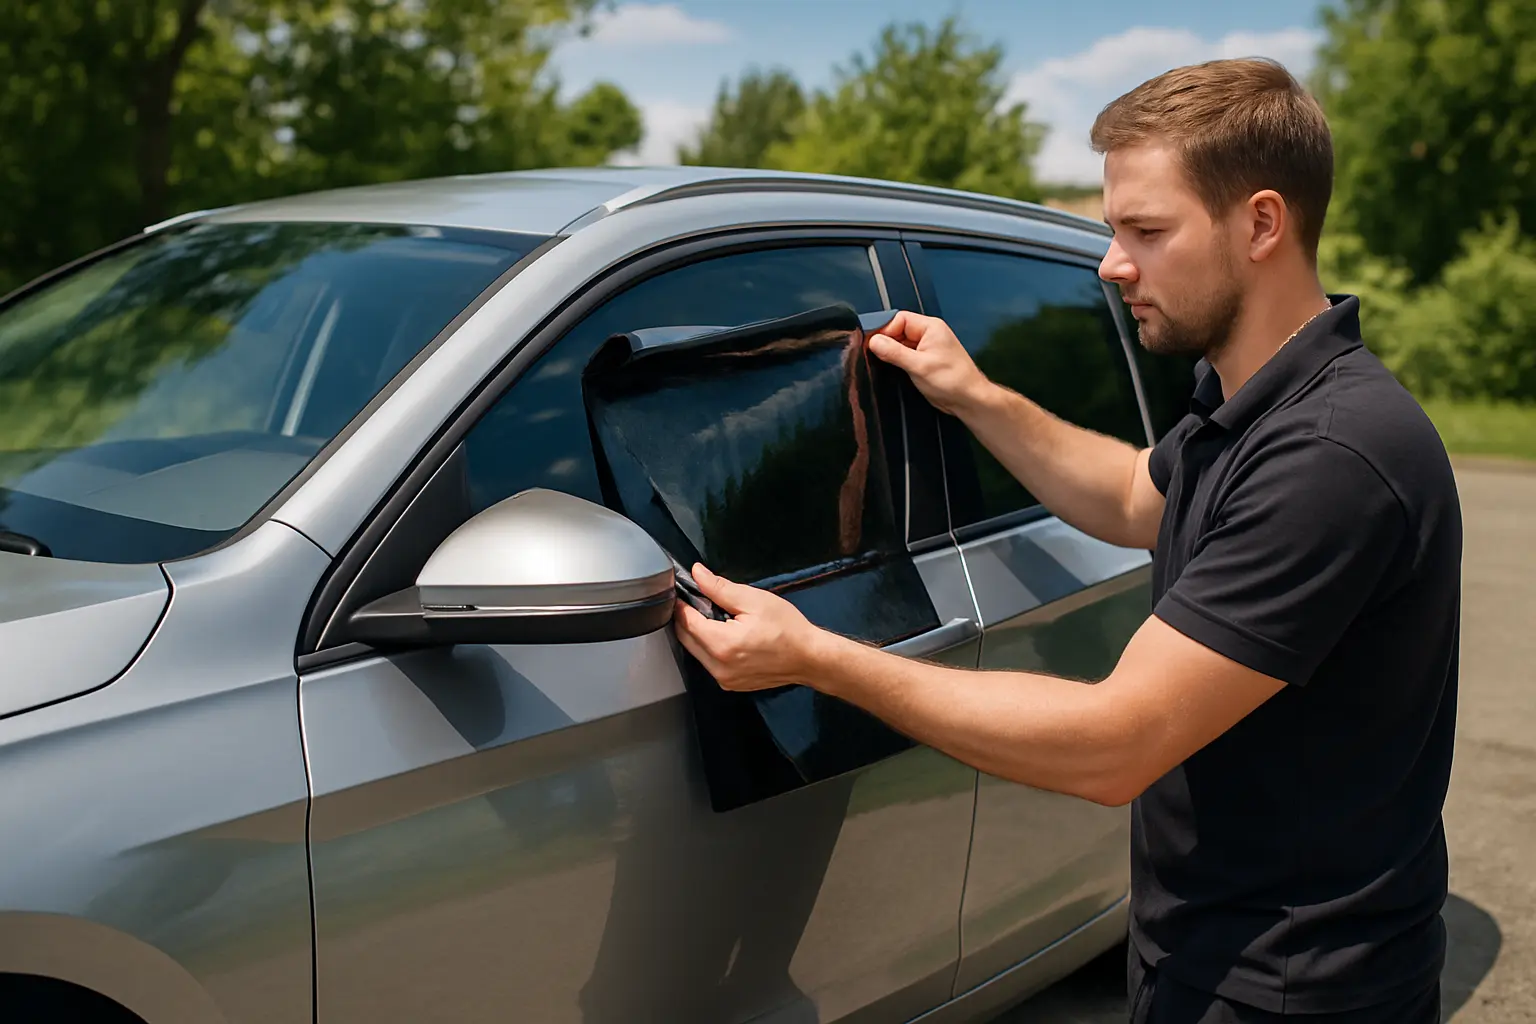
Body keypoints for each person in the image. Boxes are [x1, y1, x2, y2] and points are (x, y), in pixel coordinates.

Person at [672, 57, 1461, 1024]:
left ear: (1262, 223)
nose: (1111, 263)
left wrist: (818, 659)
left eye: (1146, 231)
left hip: (1290, 988)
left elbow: (1113, 746)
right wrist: (977, 397)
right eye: (1112, 229)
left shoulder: (1331, 454)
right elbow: (1138, 495)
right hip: (1208, 951)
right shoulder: (1249, 404)